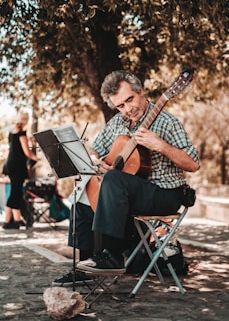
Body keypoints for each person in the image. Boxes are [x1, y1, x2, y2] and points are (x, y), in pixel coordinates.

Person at [52, 70, 199, 285]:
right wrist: (95, 160)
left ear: (141, 91)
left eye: (129, 99)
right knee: (84, 193)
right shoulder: (116, 124)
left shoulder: (167, 122)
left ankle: (112, 255)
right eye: (120, 105)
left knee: (113, 180)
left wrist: (161, 145)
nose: (127, 109)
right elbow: (95, 150)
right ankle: (86, 268)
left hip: (164, 193)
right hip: (129, 193)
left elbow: (193, 164)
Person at [2, 111, 40, 229]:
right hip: (18, 166)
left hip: (10, 164)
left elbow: (14, 149)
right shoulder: (21, 134)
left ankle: (9, 221)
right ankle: (16, 220)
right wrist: (36, 158)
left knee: (14, 192)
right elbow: (26, 152)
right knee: (16, 193)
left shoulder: (12, 132)